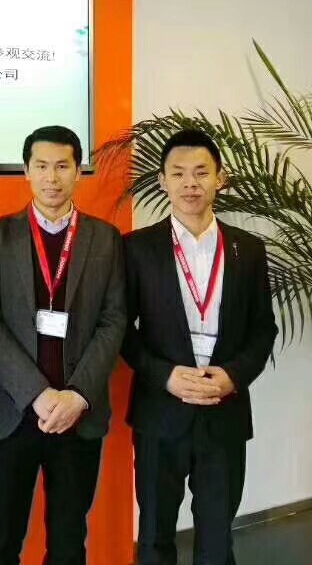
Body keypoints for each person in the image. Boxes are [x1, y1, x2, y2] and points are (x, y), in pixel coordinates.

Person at [0, 125, 126, 565]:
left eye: (62, 166)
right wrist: (37, 393)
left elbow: (114, 320)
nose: (51, 177)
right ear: (26, 171)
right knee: (0, 539)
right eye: (41, 166)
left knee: (68, 541)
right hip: (13, 413)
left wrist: (76, 395)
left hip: (78, 415)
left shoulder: (105, 238)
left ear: (78, 171)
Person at [123, 129, 277, 565]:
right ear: (162, 181)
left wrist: (232, 376)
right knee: (154, 536)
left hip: (224, 413)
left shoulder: (248, 249)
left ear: (219, 178)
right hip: (160, 413)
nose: (190, 183)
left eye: (201, 172)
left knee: (217, 538)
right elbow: (122, 331)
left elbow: (263, 329)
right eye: (178, 173)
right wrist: (165, 375)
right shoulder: (136, 248)